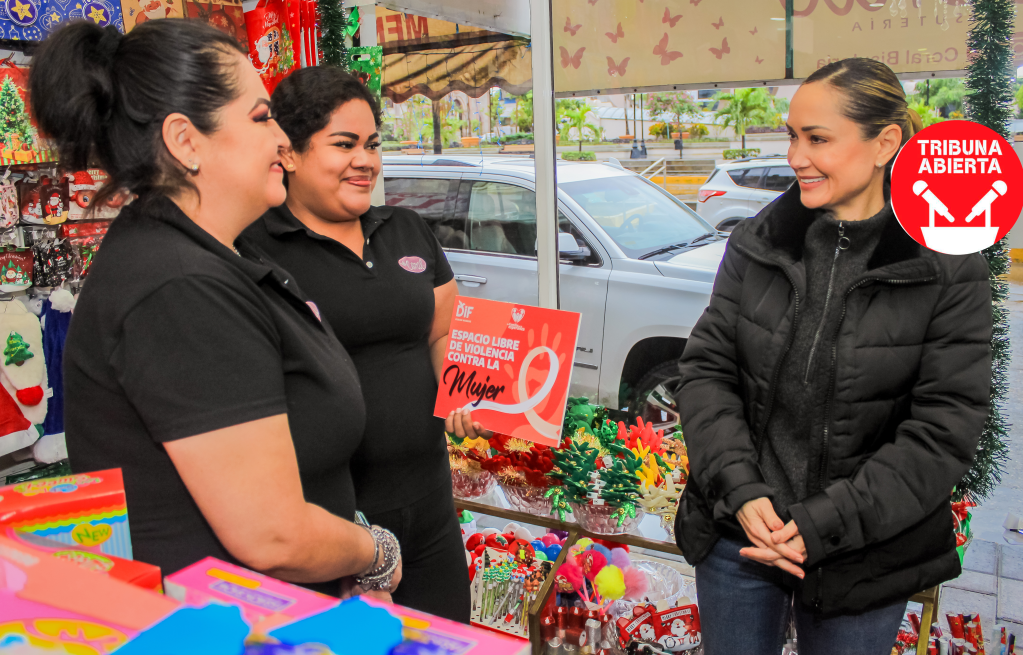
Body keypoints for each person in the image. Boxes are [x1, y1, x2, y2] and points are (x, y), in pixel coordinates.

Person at [34, 20, 400, 599]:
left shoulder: (216, 251)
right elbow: (272, 536)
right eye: (261, 118)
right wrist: (377, 552)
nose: (283, 139)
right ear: (186, 141)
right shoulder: (178, 285)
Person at [674, 58, 992, 654]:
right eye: (792, 135)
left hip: (865, 554)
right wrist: (743, 492)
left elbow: (944, 430)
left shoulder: (948, 266)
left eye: (817, 139)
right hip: (738, 537)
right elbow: (706, 371)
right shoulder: (759, 239)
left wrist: (823, 525)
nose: (796, 156)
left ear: (885, 143)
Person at [242, 66, 470, 622]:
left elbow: (443, 329)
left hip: (432, 505)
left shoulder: (408, 229)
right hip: (337, 525)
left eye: (372, 144)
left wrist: (462, 387)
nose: (365, 160)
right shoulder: (255, 249)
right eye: (343, 144)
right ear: (289, 153)